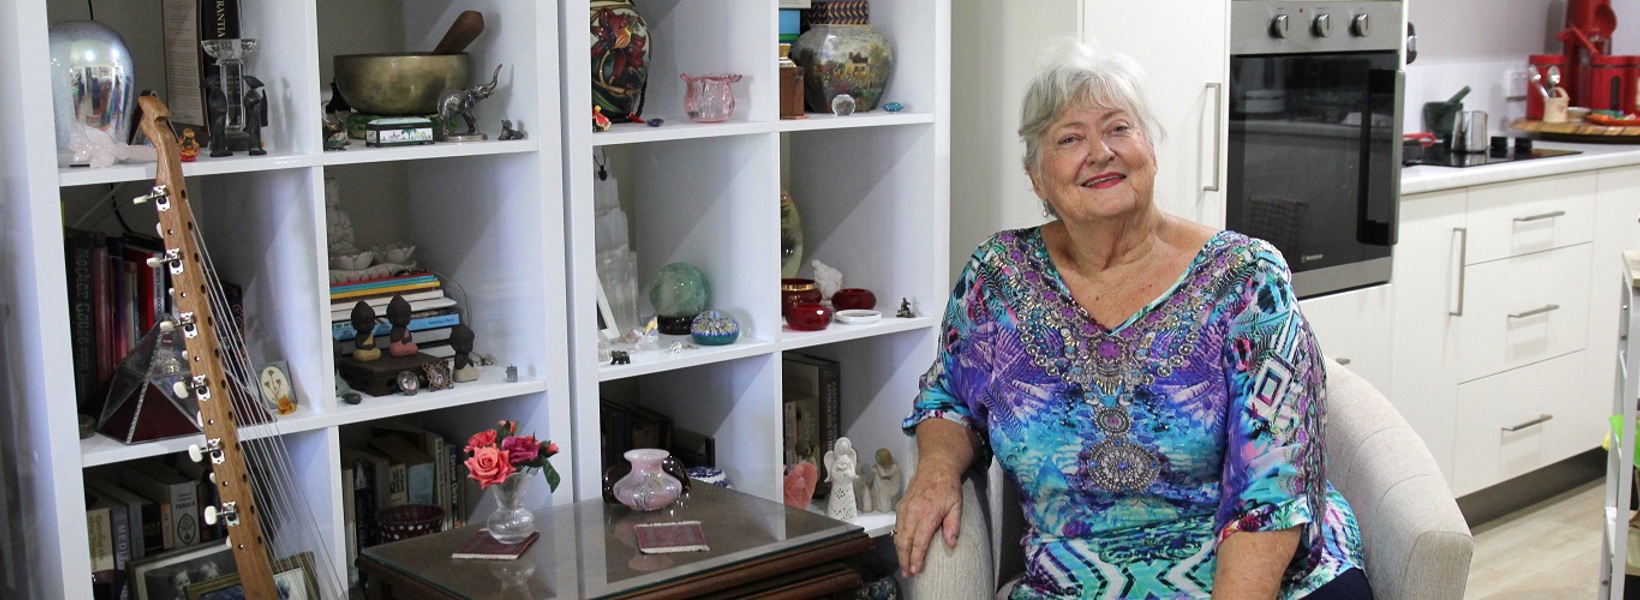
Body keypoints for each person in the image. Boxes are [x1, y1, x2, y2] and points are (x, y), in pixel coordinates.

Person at [894, 39, 1369, 599]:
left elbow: (1270, 487)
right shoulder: (999, 277)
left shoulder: (1245, 280)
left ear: (1150, 148)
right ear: (1037, 177)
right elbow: (947, 399)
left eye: (1118, 129)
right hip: (1076, 582)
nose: (1100, 152)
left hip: (1256, 580)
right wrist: (936, 468)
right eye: (1070, 138)